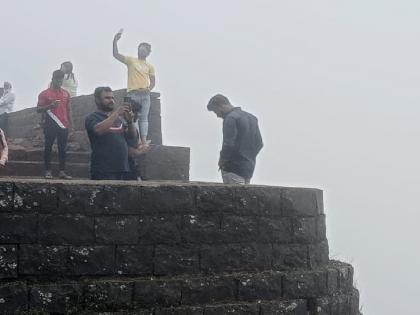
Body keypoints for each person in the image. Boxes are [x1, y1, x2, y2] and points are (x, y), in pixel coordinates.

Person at [207, 94, 263, 184]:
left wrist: (223, 161)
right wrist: (248, 157)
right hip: (248, 169)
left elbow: (228, 144)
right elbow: (259, 144)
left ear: (220, 105)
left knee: (234, 197)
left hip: (232, 168)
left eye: (215, 111)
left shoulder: (230, 118)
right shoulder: (252, 118)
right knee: (245, 196)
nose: (217, 115)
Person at [113, 29, 155, 148]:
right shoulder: (131, 60)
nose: (141, 51)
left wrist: (149, 89)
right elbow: (116, 55)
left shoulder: (150, 66)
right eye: (140, 48)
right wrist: (115, 41)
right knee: (134, 118)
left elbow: (153, 81)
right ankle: (137, 141)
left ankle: (143, 141)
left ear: (148, 53)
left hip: (145, 94)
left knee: (144, 118)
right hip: (133, 93)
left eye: (144, 50)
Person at [85, 86, 137, 180]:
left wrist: (130, 122)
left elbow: (131, 136)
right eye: (107, 98)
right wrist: (116, 113)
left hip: (122, 168)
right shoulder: (92, 117)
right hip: (103, 169)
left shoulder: (119, 119)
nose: (111, 101)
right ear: (97, 100)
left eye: (112, 98)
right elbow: (98, 130)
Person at [37, 70, 72, 179]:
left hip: (63, 124)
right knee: (48, 147)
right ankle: (48, 171)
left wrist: (72, 125)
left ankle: (62, 171)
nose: (59, 82)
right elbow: (38, 109)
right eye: (57, 80)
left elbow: (69, 109)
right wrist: (50, 106)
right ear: (52, 79)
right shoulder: (44, 93)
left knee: (63, 148)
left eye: (61, 80)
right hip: (50, 123)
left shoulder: (66, 93)